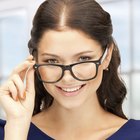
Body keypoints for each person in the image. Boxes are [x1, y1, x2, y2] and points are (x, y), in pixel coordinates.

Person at [0, 0, 140, 139]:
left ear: (107, 56)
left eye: (83, 59)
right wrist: (17, 128)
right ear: (34, 60)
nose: (67, 78)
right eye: (52, 61)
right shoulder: (11, 130)